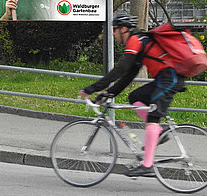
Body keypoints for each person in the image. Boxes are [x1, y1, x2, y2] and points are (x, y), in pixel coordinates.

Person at [78, 13, 186, 177]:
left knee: (153, 118)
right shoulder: (140, 42)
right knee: (135, 97)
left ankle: (147, 165)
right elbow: (128, 75)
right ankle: (158, 133)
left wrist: (91, 88)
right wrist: (108, 93)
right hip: (165, 78)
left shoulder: (136, 40)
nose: (113, 34)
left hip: (169, 78)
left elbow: (120, 69)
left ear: (123, 29)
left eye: (114, 30)